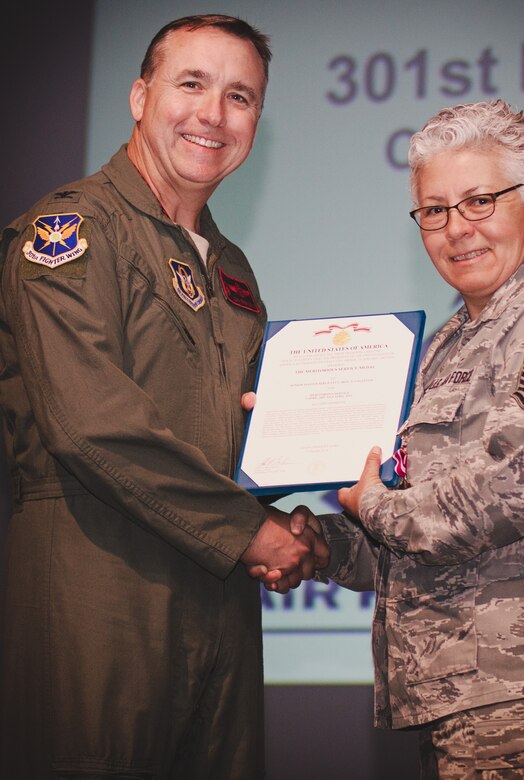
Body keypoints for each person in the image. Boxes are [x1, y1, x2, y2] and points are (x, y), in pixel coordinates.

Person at [258, 99, 524, 777]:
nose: (457, 229)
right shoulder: (446, 345)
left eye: (480, 200)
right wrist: (322, 543)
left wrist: (373, 506)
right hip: (471, 695)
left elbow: (517, 494)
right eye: (434, 210)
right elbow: (416, 535)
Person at [0, 14, 327, 780]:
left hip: (217, 597)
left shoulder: (234, 268)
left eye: (240, 96)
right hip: (98, 581)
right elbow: (90, 427)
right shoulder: (70, 228)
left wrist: (300, 515)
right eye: (192, 84)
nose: (214, 114)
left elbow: (230, 438)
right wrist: (251, 533)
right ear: (140, 96)